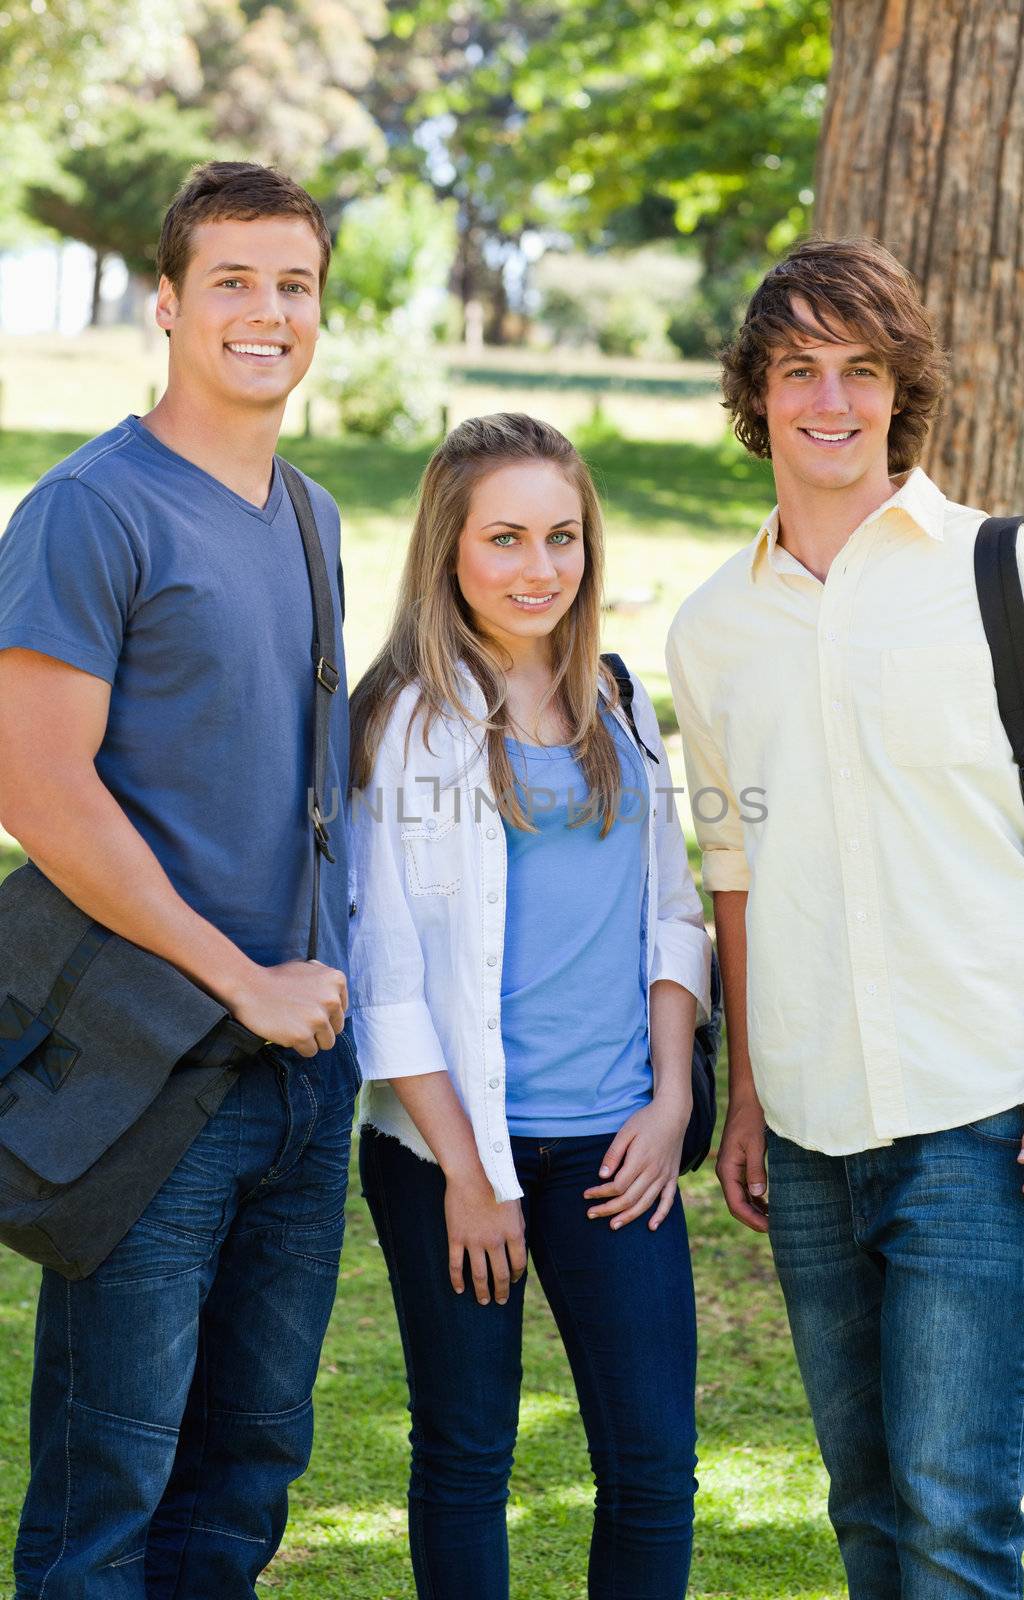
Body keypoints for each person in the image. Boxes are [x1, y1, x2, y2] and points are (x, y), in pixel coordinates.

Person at [667, 237, 1024, 1597]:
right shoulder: (713, 626)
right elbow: (732, 867)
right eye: (796, 369)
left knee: (954, 1523)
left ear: (901, 391)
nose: (827, 400)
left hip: (981, 1107)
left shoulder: (1013, 577)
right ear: (754, 394)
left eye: (859, 369)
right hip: (807, 1127)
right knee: (866, 1517)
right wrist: (744, 1098)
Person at [0, 161, 356, 1599]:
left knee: (246, 1477)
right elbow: (36, 788)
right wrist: (244, 982)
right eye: (232, 280)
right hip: (151, 1073)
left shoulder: (312, 515)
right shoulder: (92, 511)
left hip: (300, 1082)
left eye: (294, 285)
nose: (266, 313)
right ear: (165, 301)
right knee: (111, 1492)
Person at [347, 412, 711, 1600]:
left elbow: (670, 913)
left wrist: (669, 1100)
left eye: (561, 537)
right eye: (503, 538)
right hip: (452, 1158)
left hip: (616, 1146)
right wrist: (469, 1175)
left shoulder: (617, 699)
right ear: (448, 548)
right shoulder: (404, 722)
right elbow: (390, 979)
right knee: (465, 1455)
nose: (536, 567)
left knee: (652, 1466)